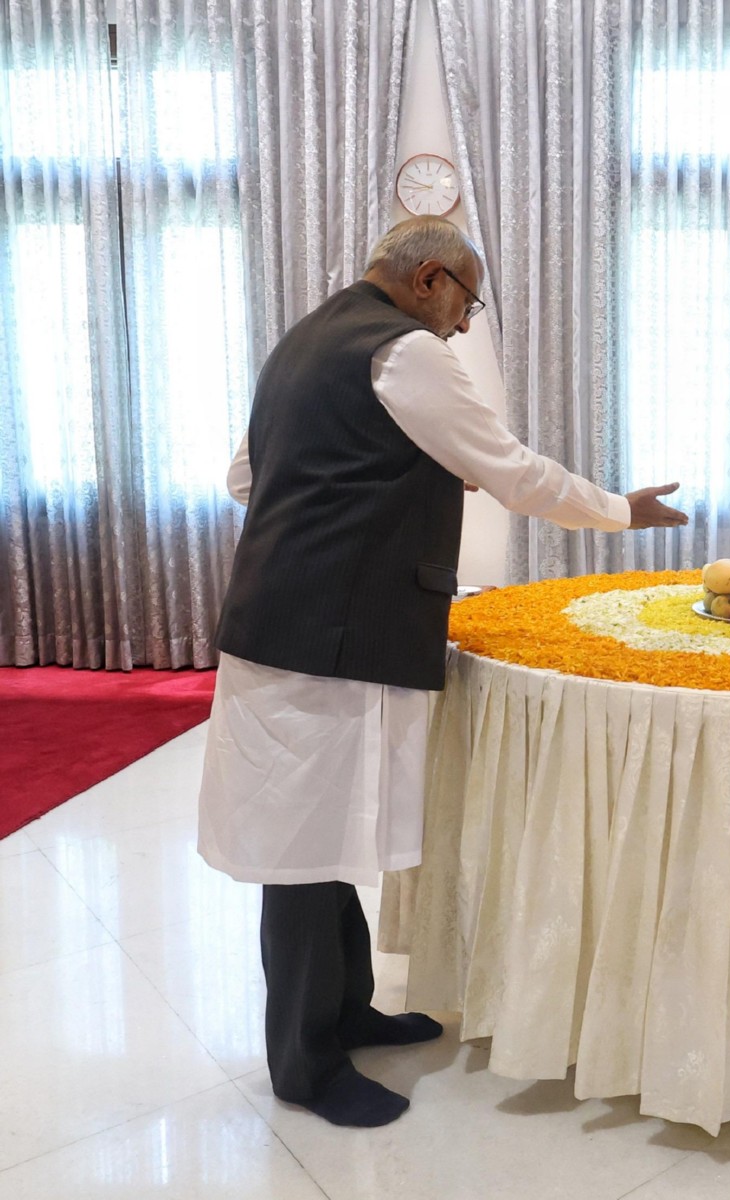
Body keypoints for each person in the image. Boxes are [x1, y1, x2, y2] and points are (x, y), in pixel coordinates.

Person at [198, 216, 688, 1127]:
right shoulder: (409, 350)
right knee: (302, 856)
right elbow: (514, 472)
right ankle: (305, 1067)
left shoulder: (306, 339)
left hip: (289, 625)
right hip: (327, 637)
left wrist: (391, 470)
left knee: (322, 839)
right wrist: (623, 510)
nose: (465, 327)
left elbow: (246, 478)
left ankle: (345, 1011)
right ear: (430, 280)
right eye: (467, 305)